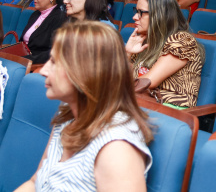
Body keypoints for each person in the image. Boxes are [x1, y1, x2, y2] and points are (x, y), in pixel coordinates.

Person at [16, 21, 153, 191]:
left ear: (86, 71)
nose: (43, 70)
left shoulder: (116, 147)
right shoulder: (68, 112)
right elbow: (35, 183)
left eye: (54, 61)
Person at [126, 0, 204, 108]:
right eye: (135, 11)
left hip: (171, 110)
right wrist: (128, 53)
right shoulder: (145, 40)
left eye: (141, 12)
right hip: (141, 104)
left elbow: (148, 82)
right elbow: (123, 78)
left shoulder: (182, 40)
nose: (134, 17)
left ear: (159, 15)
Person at [20, 0, 67, 64]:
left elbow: (52, 53)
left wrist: (23, 60)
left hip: (37, 65)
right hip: (23, 59)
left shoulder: (59, 18)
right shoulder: (36, 14)